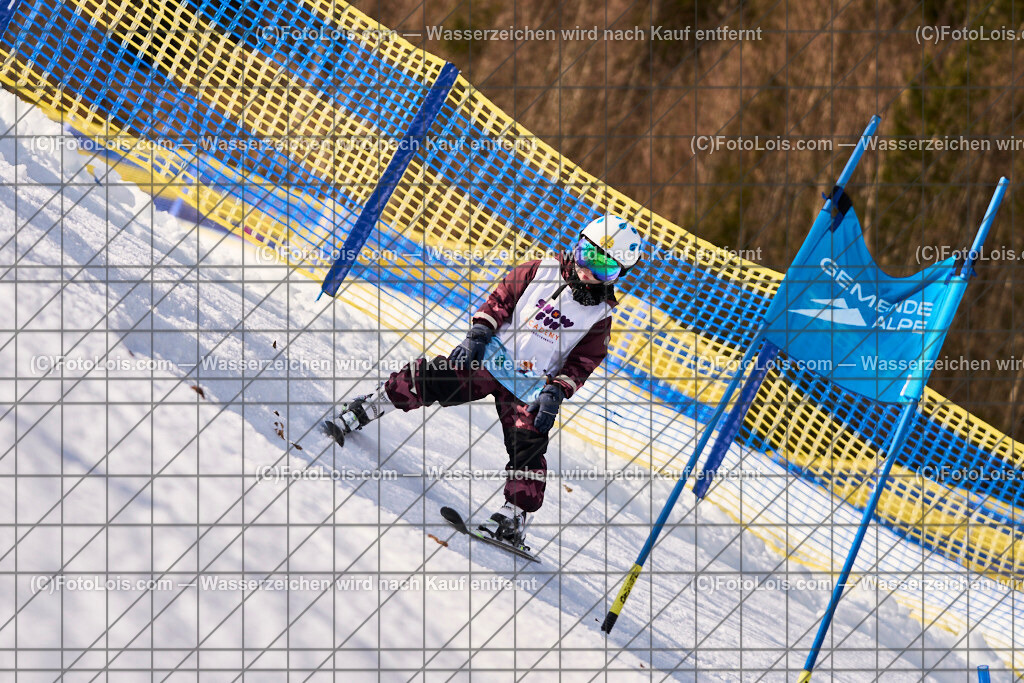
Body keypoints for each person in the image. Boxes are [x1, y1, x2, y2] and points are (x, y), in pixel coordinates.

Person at [324, 216, 643, 548]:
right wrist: (479, 332)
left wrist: (557, 391)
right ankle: (366, 409)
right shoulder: (541, 270)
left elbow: (583, 363)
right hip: (491, 360)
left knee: (529, 445)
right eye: (589, 257)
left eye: (606, 269)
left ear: (618, 276)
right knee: (434, 377)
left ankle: (514, 519)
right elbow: (501, 299)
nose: (591, 272)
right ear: (577, 247)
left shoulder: (600, 317)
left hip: (529, 386)